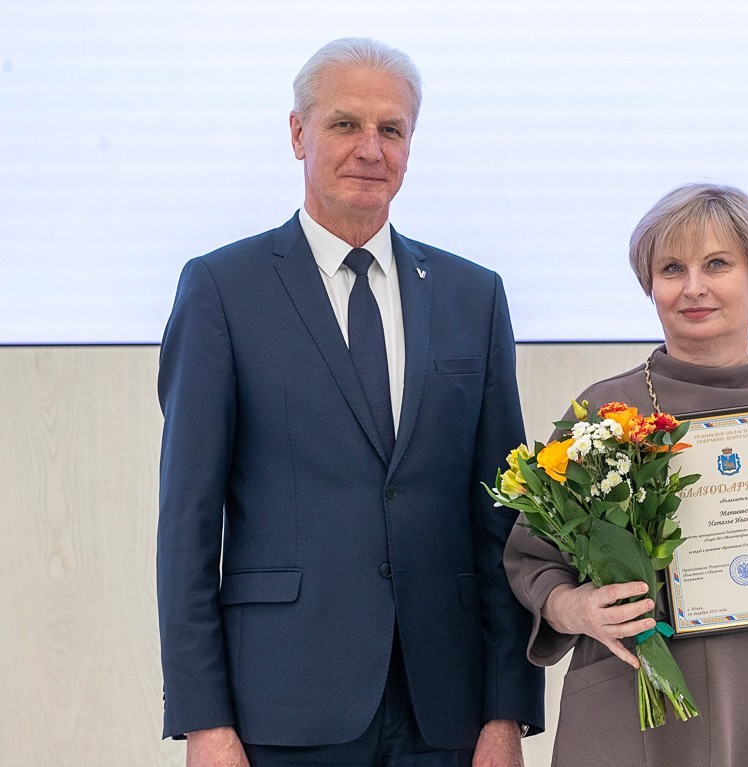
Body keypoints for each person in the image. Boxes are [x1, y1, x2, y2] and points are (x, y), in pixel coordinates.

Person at [157, 38, 543, 767]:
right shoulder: (222, 290)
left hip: (448, 710)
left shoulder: (473, 296)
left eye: (391, 129)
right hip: (282, 704)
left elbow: (502, 517)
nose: (371, 149)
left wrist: (507, 710)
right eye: (345, 124)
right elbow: (187, 524)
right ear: (298, 133)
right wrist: (203, 720)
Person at [504, 183, 748, 766]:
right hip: (626, 699)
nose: (693, 287)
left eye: (717, 264)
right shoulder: (606, 414)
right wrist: (576, 609)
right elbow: (533, 561)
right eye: (671, 269)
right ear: (649, 285)